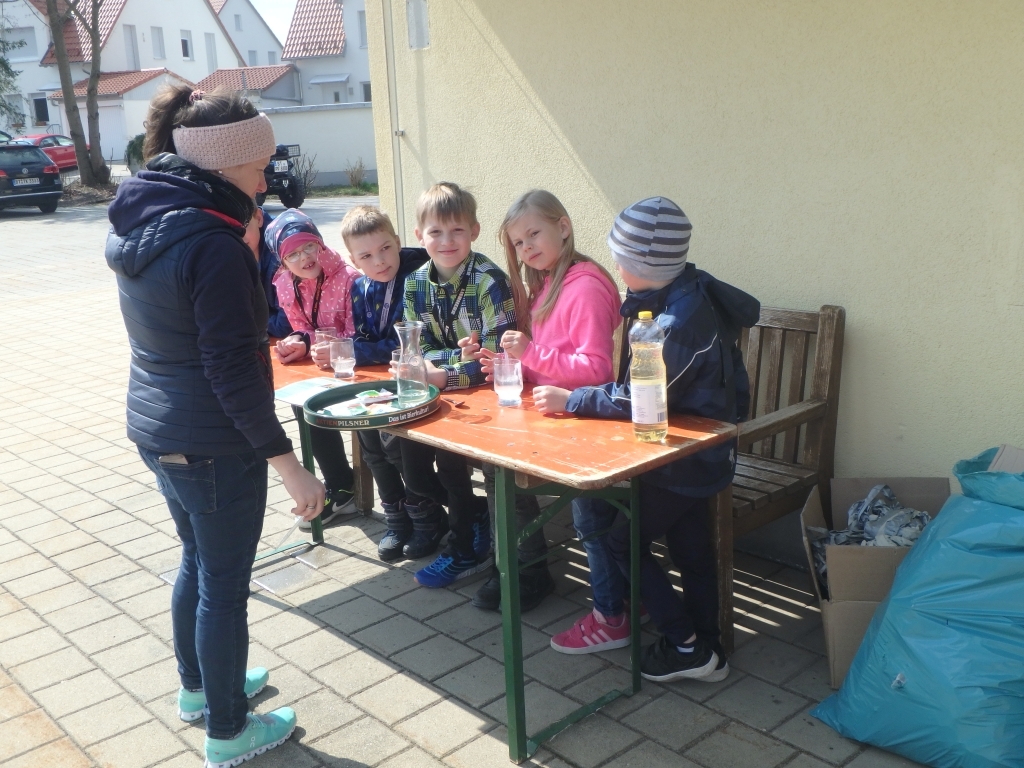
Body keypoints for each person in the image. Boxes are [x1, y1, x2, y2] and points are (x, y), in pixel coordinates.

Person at [105, 85, 321, 767]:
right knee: (224, 587)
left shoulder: (150, 215)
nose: (266, 176)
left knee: (198, 563)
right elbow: (233, 371)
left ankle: (200, 691)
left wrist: (243, 241)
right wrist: (290, 466)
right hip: (211, 442)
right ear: (226, 164)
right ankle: (228, 731)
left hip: (158, 428)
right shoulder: (214, 245)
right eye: (258, 164)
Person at [537, 197, 758, 684]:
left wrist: (572, 401)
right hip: (697, 451)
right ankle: (709, 650)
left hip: (684, 459)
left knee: (622, 541)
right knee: (691, 551)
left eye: (620, 258)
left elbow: (641, 397)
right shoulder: (681, 293)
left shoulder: (680, 323)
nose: (614, 265)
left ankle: (683, 644)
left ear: (643, 265)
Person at [474, 189, 621, 613]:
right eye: (519, 243)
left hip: (588, 421)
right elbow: (552, 360)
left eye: (534, 234)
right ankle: (518, 568)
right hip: (556, 413)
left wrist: (530, 354)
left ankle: (534, 573)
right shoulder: (549, 283)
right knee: (492, 460)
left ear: (563, 226)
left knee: (506, 468)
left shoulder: (586, 286)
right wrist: (503, 362)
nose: (527, 247)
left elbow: (595, 369)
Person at [404, 182, 518, 588]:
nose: (447, 241)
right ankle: (470, 519)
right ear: (419, 236)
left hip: (491, 400)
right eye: (436, 232)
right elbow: (419, 348)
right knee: (401, 448)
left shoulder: (490, 282)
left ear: (474, 230)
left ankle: (467, 542)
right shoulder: (415, 282)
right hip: (443, 391)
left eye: (457, 231)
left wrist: (442, 372)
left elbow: (496, 361)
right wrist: (452, 363)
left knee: (452, 460)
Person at [341, 204, 448, 561]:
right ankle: (397, 518)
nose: (380, 261)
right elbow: (362, 336)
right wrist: (352, 351)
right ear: (354, 261)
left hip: (413, 381)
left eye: (386, 248)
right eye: (367, 255)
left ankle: (427, 517)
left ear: (398, 242)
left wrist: (359, 351)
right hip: (378, 381)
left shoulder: (417, 277)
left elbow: (407, 342)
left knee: (394, 445)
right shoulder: (359, 288)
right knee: (368, 441)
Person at [267, 210, 361, 527]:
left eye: (308, 246)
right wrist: (298, 342)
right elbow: (304, 328)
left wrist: (331, 347)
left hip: (358, 366)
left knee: (373, 436)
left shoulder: (350, 279)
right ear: (282, 263)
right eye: (292, 254)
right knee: (304, 405)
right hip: (320, 367)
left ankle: (394, 499)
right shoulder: (285, 284)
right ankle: (342, 485)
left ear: (320, 244)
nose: (304, 257)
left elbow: (357, 332)